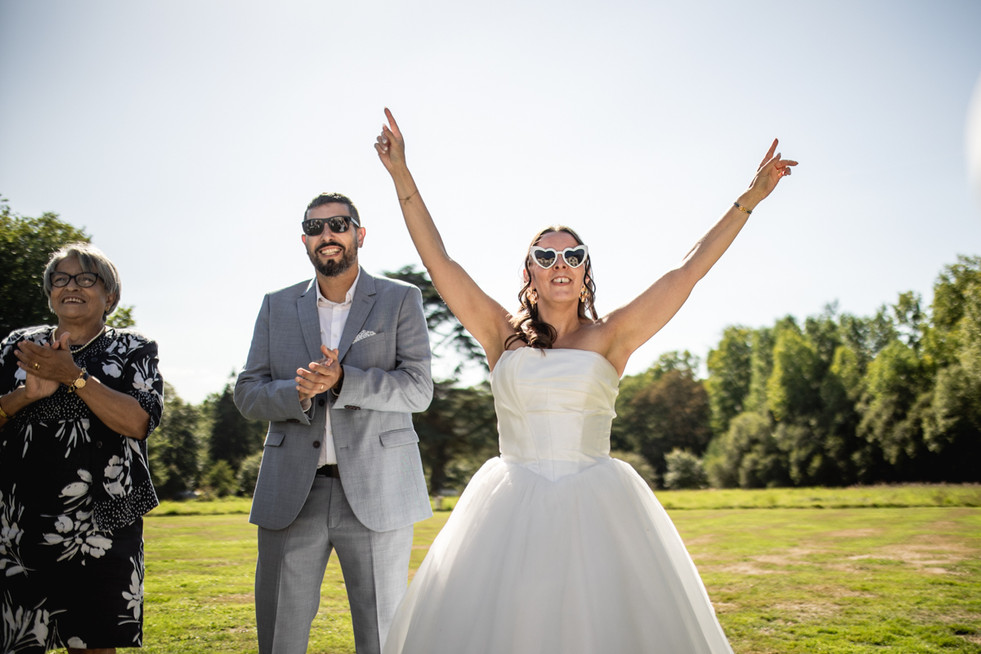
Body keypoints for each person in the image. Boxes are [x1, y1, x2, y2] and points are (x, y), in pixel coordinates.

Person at [373, 108, 797, 654]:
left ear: (584, 271)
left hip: (599, 503)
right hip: (508, 507)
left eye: (572, 254)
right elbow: (439, 261)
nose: (559, 262)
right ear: (529, 271)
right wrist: (401, 175)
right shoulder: (499, 334)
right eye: (545, 254)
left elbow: (686, 272)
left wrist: (749, 199)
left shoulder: (612, 337)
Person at [234, 192, 434, 654]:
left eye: (338, 224)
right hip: (291, 497)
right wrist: (296, 393)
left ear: (358, 234)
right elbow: (247, 393)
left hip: (378, 493)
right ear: (305, 241)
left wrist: (344, 380)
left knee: (382, 638)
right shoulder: (275, 306)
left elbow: (418, 388)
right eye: (315, 227)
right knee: (279, 639)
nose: (327, 234)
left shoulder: (400, 299)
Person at [0, 243, 164, 654]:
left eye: (86, 278)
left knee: (94, 644)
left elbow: (138, 422)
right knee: (19, 642)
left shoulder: (133, 349)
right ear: (50, 291)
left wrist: (73, 376)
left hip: (102, 524)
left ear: (110, 296)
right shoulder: (16, 347)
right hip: (19, 522)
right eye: (61, 278)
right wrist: (26, 394)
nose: (71, 286)